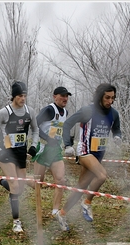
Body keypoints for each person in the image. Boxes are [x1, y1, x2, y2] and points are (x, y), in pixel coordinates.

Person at [61, 83, 121, 230]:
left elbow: (117, 129)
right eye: (107, 97)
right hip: (85, 151)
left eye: (112, 98)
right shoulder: (88, 110)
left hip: (98, 153)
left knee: (81, 186)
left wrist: (118, 137)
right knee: (101, 175)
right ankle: (87, 203)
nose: (110, 101)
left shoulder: (113, 113)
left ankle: (62, 214)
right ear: (100, 96)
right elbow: (67, 124)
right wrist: (68, 145)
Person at [0, 81, 39, 232]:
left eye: (25, 96)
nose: (23, 98)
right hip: (6, 153)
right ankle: (16, 221)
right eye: (20, 96)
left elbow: (36, 130)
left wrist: (34, 146)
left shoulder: (30, 112)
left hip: (21, 153)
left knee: (19, 188)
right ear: (14, 96)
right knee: (15, 185)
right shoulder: (4, 112)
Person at [31, 86, 72, 231]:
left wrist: (67, 143)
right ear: (55, 97)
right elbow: (34, 125)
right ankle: (16, 180)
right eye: (62, 96)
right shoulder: (49, 110)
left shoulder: (65, 112)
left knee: (61, 180)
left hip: (55, 150)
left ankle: (55, 211)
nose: (65, 99)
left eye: (67, 96)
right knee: (38, 182)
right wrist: (47, 138)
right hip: (43, 148)